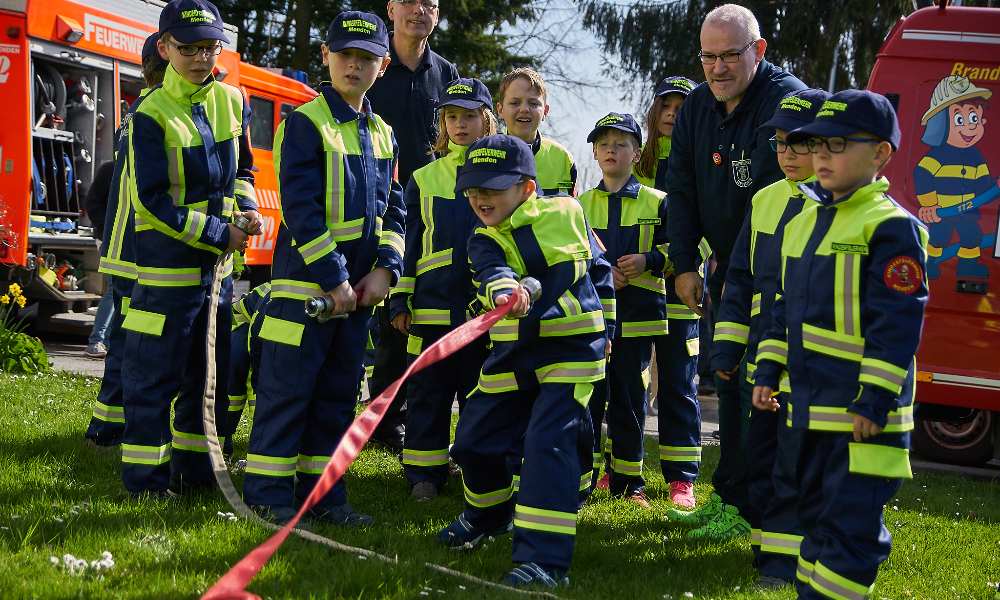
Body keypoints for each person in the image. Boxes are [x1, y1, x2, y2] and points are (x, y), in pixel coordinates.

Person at [754, 89, 928, 600]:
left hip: (863, 419)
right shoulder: (802, 221)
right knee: (814, 528)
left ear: (880, 155)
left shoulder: (891, 227)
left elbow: (895, 325)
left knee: (849, 538)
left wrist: (874, 401)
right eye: (815, 146)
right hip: (809, 413)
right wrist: (767, 372)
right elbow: (785, 309)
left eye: (837, 144)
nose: (821, 156)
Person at [241, 11, 404, 527]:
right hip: (304, 291)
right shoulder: (304, 123)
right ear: (327, 58)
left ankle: (325, 497)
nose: (354, 66)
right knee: (287, 393)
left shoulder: (383, 132)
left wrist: (388, 272)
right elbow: (302, 209)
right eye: (345, 56)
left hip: (357, 296)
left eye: (367, 58)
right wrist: (334, 278)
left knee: (336, 399)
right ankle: (268, 495)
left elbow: (395, 211)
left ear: (382, 65)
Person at [438, 134, 612, 588]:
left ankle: (544, 562)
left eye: (492, 188)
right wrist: (501, 292)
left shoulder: (567, 212)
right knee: (473, 442)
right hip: (514, 351)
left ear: (527, 188)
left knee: (544, 445)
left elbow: (584, 269)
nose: (479, 198)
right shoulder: (483, 237)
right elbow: (492, 272)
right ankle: (490, 516)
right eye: (473, 189)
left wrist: (604, 327)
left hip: (572, 350)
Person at [663, 3, 805, 537]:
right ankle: (732, 498)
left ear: (760, 51)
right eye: (707, 57)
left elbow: (783, 201)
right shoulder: (697, 108)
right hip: (727, 277)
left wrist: (731, 262)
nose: (717, 68)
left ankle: (768, 510)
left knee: (765, 392)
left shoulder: (791, 104)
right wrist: (683, 264)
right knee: (727, 379)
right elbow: (680, 188)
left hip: (783, 281)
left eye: (730, 56)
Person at [119, 0, 261, 497]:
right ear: (164, 48)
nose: (201, 57)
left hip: (216, 277)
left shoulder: (232, 101)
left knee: (208, 383)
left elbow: (244, 173)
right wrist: (222, 234)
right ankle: (147, 484)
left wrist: (246, 211)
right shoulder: (148, 116)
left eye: (209, 47)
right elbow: (154, 201)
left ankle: (197, 476)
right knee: (153, 386)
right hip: (166, 276)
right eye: (188, 48)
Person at [711, 89, 829, 578]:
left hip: (808, 357)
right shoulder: (764, 199)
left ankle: (785, 561)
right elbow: (739, 277)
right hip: (759, 353)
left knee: (792, 458)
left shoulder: (833, 202)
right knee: (756, 452)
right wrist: (727, 345)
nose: (786, 155)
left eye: (798, 145)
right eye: (778, 144)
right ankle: (764, 545)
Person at [388, 78, 496, 501]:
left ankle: (475, 470)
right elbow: (410, 245)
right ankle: (423, 476)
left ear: (486, 120)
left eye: (469, 116)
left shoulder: (503, 174)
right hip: (430, 311)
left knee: (480, 395)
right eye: (452, 116)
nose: (460, 124)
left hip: (482, 314)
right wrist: (400, 298)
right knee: (427, 395)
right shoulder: (424, 177)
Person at [366, 0, 460, 452]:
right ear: (391, 9)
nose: (419, 10)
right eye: (409, 1)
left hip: (429, 214)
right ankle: (382, 421)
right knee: (382, 323)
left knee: (410, 319)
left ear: (437, 15)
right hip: (374, 206)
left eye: (430, 4)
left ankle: (404, 419)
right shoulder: (371, 64)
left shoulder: (447, 73)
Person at [578, 113, 667, 508]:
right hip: (592, 322)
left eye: (621, 143)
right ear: (595, 153)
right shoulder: (575, 206)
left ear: (638, 151)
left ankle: (630, 483)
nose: (612, 150)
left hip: (637, 319)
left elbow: (680, 251)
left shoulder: (659, 202)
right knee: (591, 400)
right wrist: (602, 274)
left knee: (631, 400)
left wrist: (649, 260)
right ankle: (586, 479)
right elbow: (571, 258)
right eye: (604, 144)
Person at [84, 32, 167, 450]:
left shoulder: (133, 115)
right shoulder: (155, 114)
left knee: (124, 341)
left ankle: (106, 427)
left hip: (124, 250)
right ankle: (114, 429)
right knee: (136, 346)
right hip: (143, 251)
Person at [634, 76, 705, 509]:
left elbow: (707, 227)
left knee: (679, 384)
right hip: (639, 293)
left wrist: (689, 267)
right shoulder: (634, 161)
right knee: (631, 385)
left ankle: (681, 479)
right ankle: (624, 469)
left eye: (683, 105)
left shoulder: (702, 161)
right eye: (667, 105)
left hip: (681, 290)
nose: (673, 113)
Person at [496, 68, 577, 197]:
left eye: (533, 103)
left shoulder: (563, 158)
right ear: (500, 110)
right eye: (515, 103)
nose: (524, 109)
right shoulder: (486, 155)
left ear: (545, 111)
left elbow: (572, 211)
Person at [224, 281, 271, 460]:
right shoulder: (267, 300)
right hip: (240, 326)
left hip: (257, 327)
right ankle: (224, 439)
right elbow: (258, 383)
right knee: (233, 371)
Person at [83, 160, 117, 360]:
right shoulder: (110, 169)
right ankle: (96, 341)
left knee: (121, 290)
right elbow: (92, 203)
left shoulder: (142, 166)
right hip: (109, 239)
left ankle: (108, 342)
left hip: (128, 240)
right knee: (115, 289)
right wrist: (110, 229)